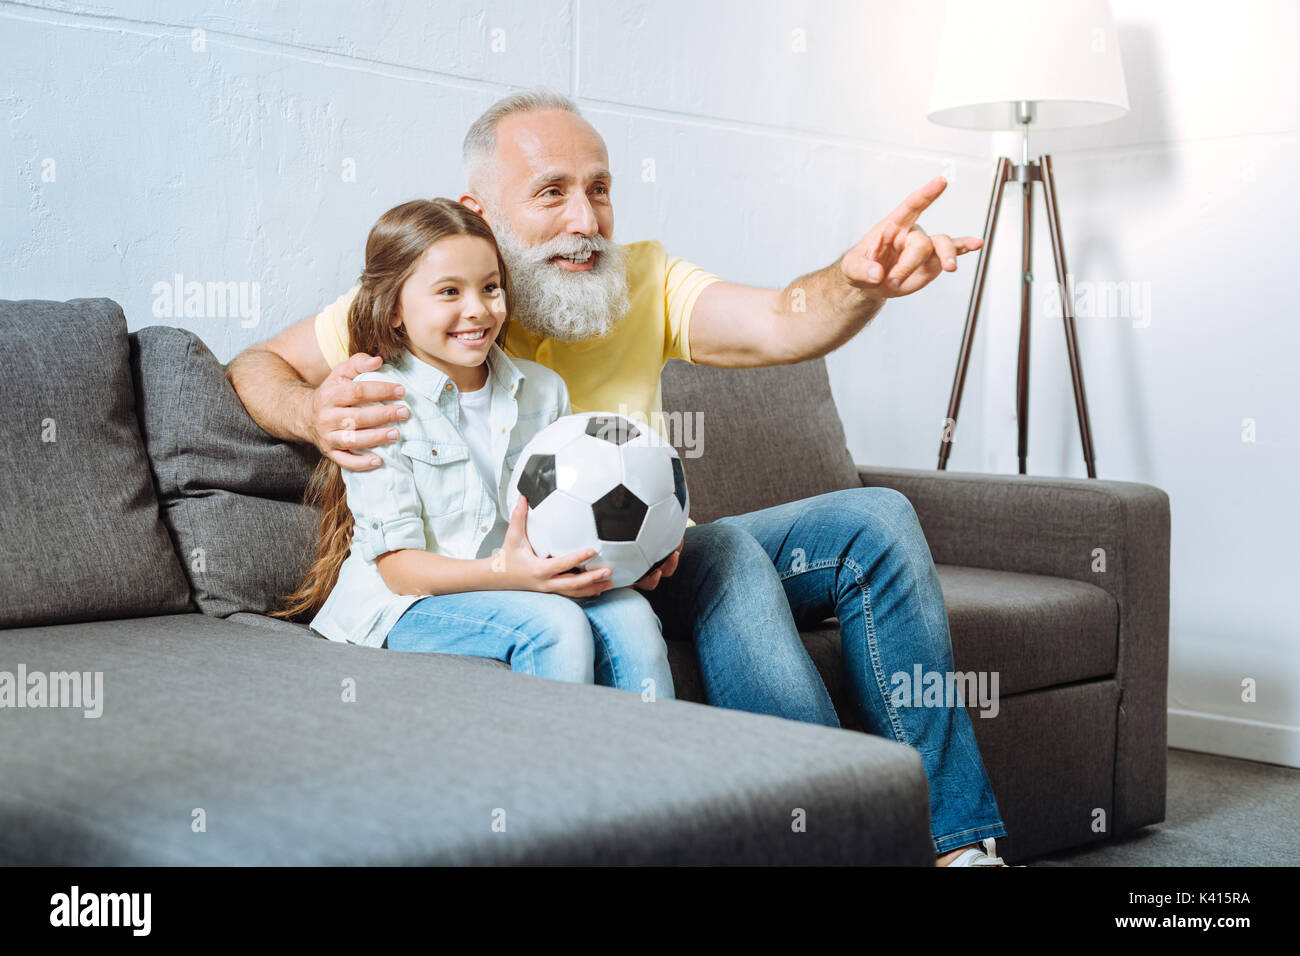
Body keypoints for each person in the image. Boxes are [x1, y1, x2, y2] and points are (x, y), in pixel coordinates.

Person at [230, 88, 1005, 865]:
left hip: (658, 554)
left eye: (599, 188)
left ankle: (958, 846)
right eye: (551, 192)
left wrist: (856, 281)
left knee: (877, 521)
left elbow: (782, 319)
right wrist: (312, 413)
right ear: (479, 213)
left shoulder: (642, 279)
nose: (586, 220)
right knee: (734, 563)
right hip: (527, 574)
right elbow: (253, 366)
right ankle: (823, 834)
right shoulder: (431, 293)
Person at [272, 197, 674, 701]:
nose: (478, 310)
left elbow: (572, 511)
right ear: (395, 310)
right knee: (554, 625)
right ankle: (554, 777)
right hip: (405, 601)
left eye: (490, 288)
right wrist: (512, 576)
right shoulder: (376, 402)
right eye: (448, 292)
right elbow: (398, 568)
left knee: (632, 615)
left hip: (514, 584)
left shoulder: (544, 392)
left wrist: (635, 550)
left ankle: (655, 769)